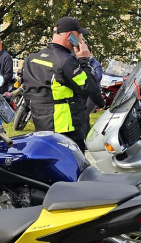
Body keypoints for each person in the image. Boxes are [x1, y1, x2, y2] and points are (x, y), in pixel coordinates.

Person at [22, 16, 101, 150]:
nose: (81, 39)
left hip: (41, 125)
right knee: (75, 167)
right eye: (80, 35)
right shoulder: (66, 61)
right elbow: (91, 88)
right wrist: (84, 60)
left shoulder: (32, 59)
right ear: (70, 35)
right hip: (65, 129)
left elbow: (27, 91)